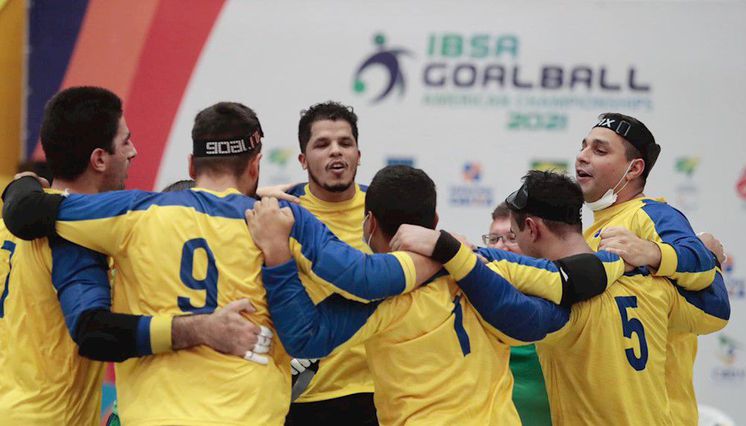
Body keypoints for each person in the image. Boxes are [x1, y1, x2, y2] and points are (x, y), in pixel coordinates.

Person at [2, 101, 435, 425]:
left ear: (191, 164)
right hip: (247, 413)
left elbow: (30, 213)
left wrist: (21, 182)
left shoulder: (133, 213)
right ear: (255, 165)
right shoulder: (282, 218)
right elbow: (366, 277)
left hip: (154, 416)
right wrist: (438, 257)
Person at [249, 165, 627, 425]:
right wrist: (627, 258)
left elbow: (304, 334)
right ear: (434, 222)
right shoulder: (489, 266)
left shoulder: (383, 299)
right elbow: (571, 284)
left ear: (369, 224)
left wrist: (278, 254)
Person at [0, 87, 266, 425]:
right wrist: (201, 329)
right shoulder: (75, 236)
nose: (134, 151)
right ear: (99, 159)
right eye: (126, 141)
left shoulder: (9, 217)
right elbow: (94, 333)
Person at [391, 170, 730, 425]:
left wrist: (456, 252)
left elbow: (517, 310)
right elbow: (716, 311)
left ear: (532, 229)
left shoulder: (569, 302)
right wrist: (704, 257)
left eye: (513, 235)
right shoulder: (653, 283)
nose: (509, 246)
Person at [576, 112, 722, 424]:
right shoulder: (589, 234)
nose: (582, 156)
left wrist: (652, 252)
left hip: (657, 415)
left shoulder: (652, 214)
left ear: (634, 168)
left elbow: (706, 276)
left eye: (599, 150)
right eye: (583, 146)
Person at [283, 101, 376, 424]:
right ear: (303, 159)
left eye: (345, 143)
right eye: (322, 144)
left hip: (382, 392)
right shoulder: (281, 214)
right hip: (307, 396)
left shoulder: (386, 208)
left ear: (358, 155)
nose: (336, 151)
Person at [484, 201, 551, 426]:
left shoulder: (557, 297)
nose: (501, 247)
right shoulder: (474, 302)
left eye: (511, 238)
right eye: (493, 239)